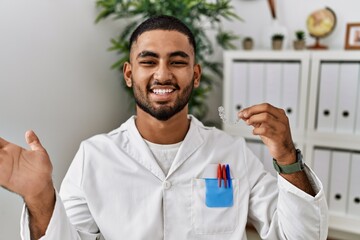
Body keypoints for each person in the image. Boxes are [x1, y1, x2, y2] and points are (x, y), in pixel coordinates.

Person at [0, 15, 328, 240]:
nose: (162, 74)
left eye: (177, 61)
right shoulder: (95, 156)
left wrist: (287, 156)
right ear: (129, 74)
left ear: (196, 75)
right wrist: (40, 196)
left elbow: (301, 235)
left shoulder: (231, 154)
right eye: (148, 61)